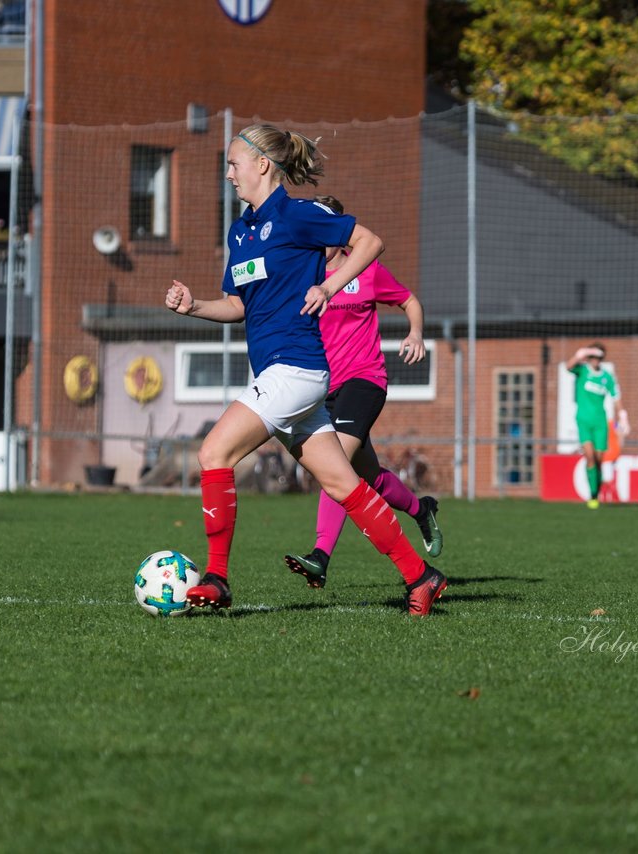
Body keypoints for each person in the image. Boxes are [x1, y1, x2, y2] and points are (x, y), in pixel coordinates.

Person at [164, 124, 447, 616]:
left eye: (233, 164)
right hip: (281, 376)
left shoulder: (298, 216)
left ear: (262, 165)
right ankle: (421, 576)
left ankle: (217, 577)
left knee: (213, 451)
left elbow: (370, 242)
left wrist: (331, 285)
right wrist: (194, 307)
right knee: (344, 486)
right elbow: (237, 305)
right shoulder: (241, 231)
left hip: (296, 371)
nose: (228, 174)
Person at [282, 195, 442, 590]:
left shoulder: (366, 270)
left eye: (327, 230)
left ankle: (320, 556)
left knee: (335, 465)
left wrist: (415, 332)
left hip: (364, 380)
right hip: (323, 387)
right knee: (366, 474)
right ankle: (422, 509)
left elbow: (409, 301)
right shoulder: (305, 273)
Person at [565, 342, 619, 509]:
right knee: (589, 456)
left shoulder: (606, 377)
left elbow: (616, 397)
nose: (595, 360)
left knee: (599, 459)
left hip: (600, 422)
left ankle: (597, 489)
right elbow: (569, 366)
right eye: (593, 357)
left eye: (598, 357)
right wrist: (581, 352)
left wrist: (622, 416)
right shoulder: (582, 370)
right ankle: (593, 495)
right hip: (584, 421)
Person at [598, 407, 629, 504]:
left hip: (606, 454)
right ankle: (605, 497)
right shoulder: (613, 424)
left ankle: (613, 497)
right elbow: (621, 435)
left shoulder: (601, 425)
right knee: (607, 476)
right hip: (614, 452)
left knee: (607, 478)